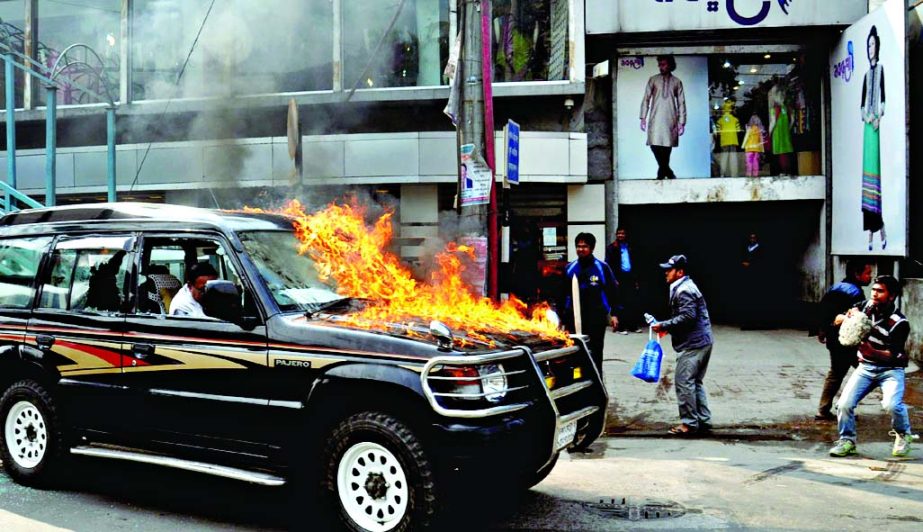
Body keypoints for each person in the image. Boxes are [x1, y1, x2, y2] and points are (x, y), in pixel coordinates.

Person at [830, 275, 918, 458]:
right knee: (844, 404)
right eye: (874, 290)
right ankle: (847, 441)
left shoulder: (900, 323)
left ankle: (903, 435)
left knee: (892, 405)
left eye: (880, 291)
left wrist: (871, 351)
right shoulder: (863, 306)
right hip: (866, 368)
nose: (875, 294)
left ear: (891, 296)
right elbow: (837, 318)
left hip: (891, 370)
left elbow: (892, 355)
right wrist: (846, 319)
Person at [651, 254, 714, 436]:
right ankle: (703, 419)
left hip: (694, 344)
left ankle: (689, 424)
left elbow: (688, 317)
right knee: (695, 382)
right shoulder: (684, 286)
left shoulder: (684, 289)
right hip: (703, 341)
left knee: (684, 382)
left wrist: (664, 325)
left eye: (669, 270)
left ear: (680, 272)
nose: (666, 273)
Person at [815, 259, 873, 421]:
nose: (871, 276)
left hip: (834, 340)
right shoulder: (855, 293)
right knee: (869, 373)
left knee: (836, 373)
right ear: (857, 274)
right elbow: (857, 321)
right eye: (868, 273)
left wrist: (822, 330)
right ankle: (843, 406)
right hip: (848, 341)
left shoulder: (835, 287)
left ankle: (824, 409)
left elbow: (823, 311)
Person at [564, 233, 619, 377]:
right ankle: (577, 386)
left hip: (596, 318)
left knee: (595, 352)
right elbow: (562, 294)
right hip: (574, 319)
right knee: (575, 353)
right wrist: (562, 317)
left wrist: (614, 314)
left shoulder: (602, 268)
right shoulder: (570, 268)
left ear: (592, 248)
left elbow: (613, 291)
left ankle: (597, 387)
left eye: (585, 246)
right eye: (578, 246)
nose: (581, 249)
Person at [861, 25, 887, 251]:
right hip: (867, 127)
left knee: (875, 174)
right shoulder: (866, 75)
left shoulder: (880, 71)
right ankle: (870, 229)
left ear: (877, 45)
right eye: (868, 45)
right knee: (867, 176)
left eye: (873, 44)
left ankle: (879, 228)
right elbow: (862, 105)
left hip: (876, 126)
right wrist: (867, 117)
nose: (870, 48)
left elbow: (884, 99)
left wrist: (878, 115)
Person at [640, 55, 686, 180]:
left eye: (664, 64)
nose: (661, 67)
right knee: (654, 144)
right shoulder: (653, 80)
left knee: (667, 146)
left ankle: (662, 173)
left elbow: (681, 102)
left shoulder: (677, 82)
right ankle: (667, 171)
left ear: (670, 65)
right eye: (660, 65)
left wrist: (681, 122)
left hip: (671, 118)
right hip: (655, 117)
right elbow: (646, 99)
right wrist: (643, 117)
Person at [605, 227, 643, 334]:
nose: (620, 235)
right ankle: (620, 327)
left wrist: (635, 280)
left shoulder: (630, 247)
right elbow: (608, 265)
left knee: (631, 302)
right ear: (616, 235)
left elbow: (636, 263)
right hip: (618, 278)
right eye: (619, 233)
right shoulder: (612, 248)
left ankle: (632, 326)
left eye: (623, 233)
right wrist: (613, 279)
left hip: (629, 277)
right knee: (618, 303)